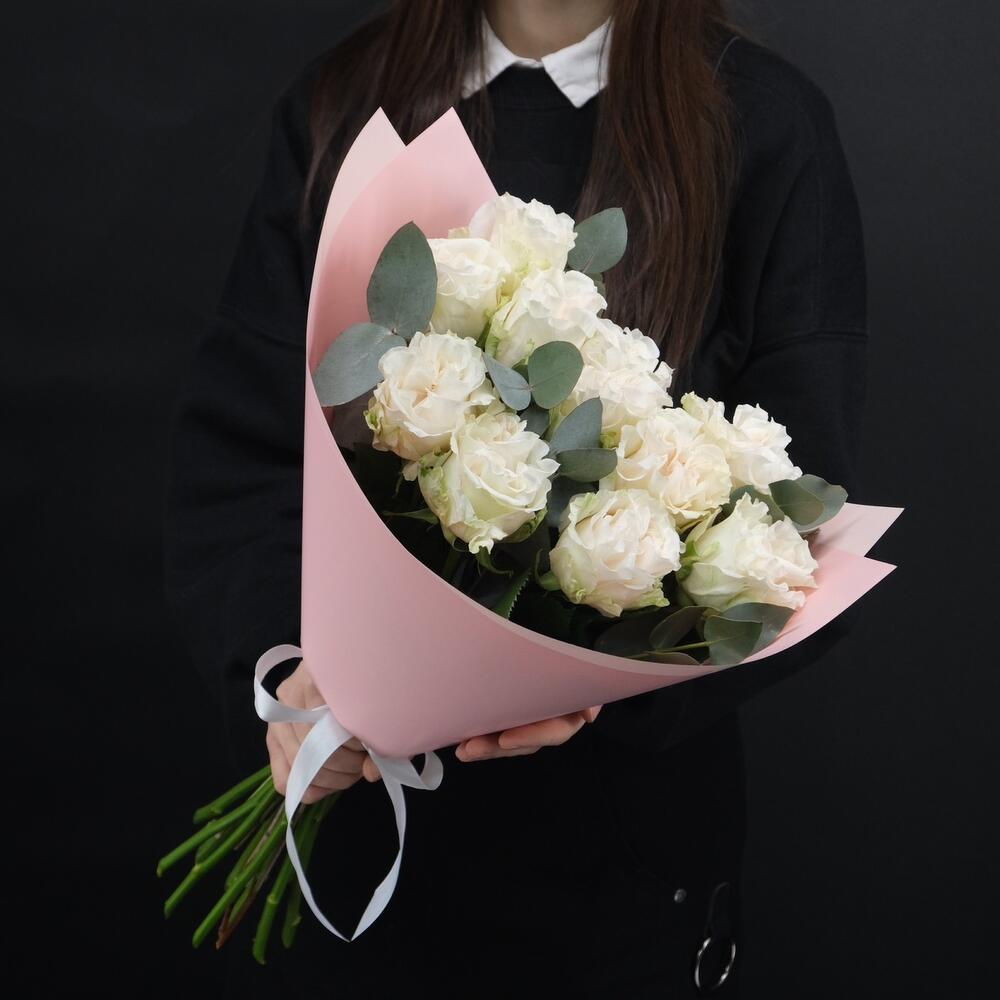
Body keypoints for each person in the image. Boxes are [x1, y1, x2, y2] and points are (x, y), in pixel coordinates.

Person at [163, 1, 867, 995]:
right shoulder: (346, 107)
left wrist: (598, 681)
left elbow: (799, 526)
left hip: (627, 875)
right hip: (369, 843)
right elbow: (245, 462)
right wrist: (295, 679)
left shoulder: (760, 124)